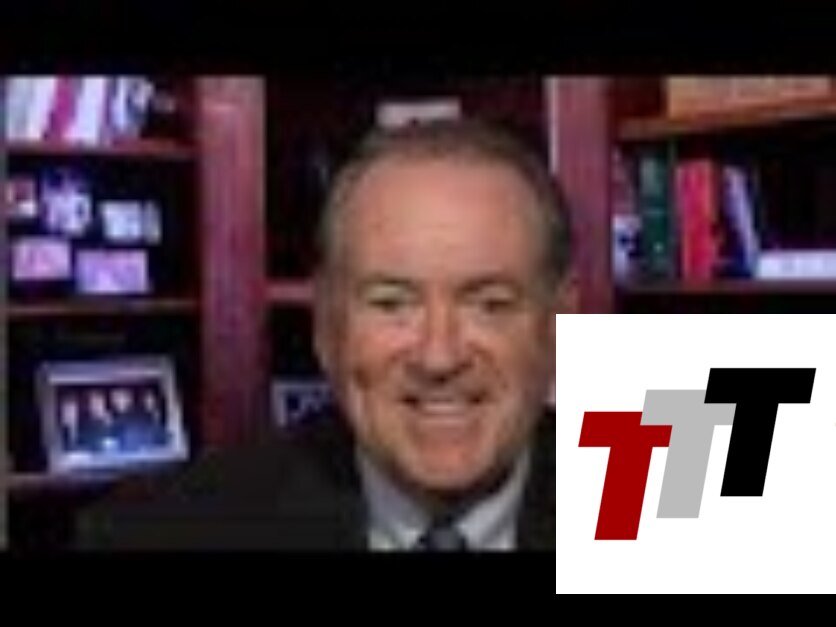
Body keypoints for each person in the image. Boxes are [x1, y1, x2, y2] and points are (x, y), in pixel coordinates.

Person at [74, 117, 574, 551]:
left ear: (558, 325)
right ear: (326, 327)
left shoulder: (621, 500)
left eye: (490, 305)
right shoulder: (160, 534)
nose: (438, 356)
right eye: (391, 304)